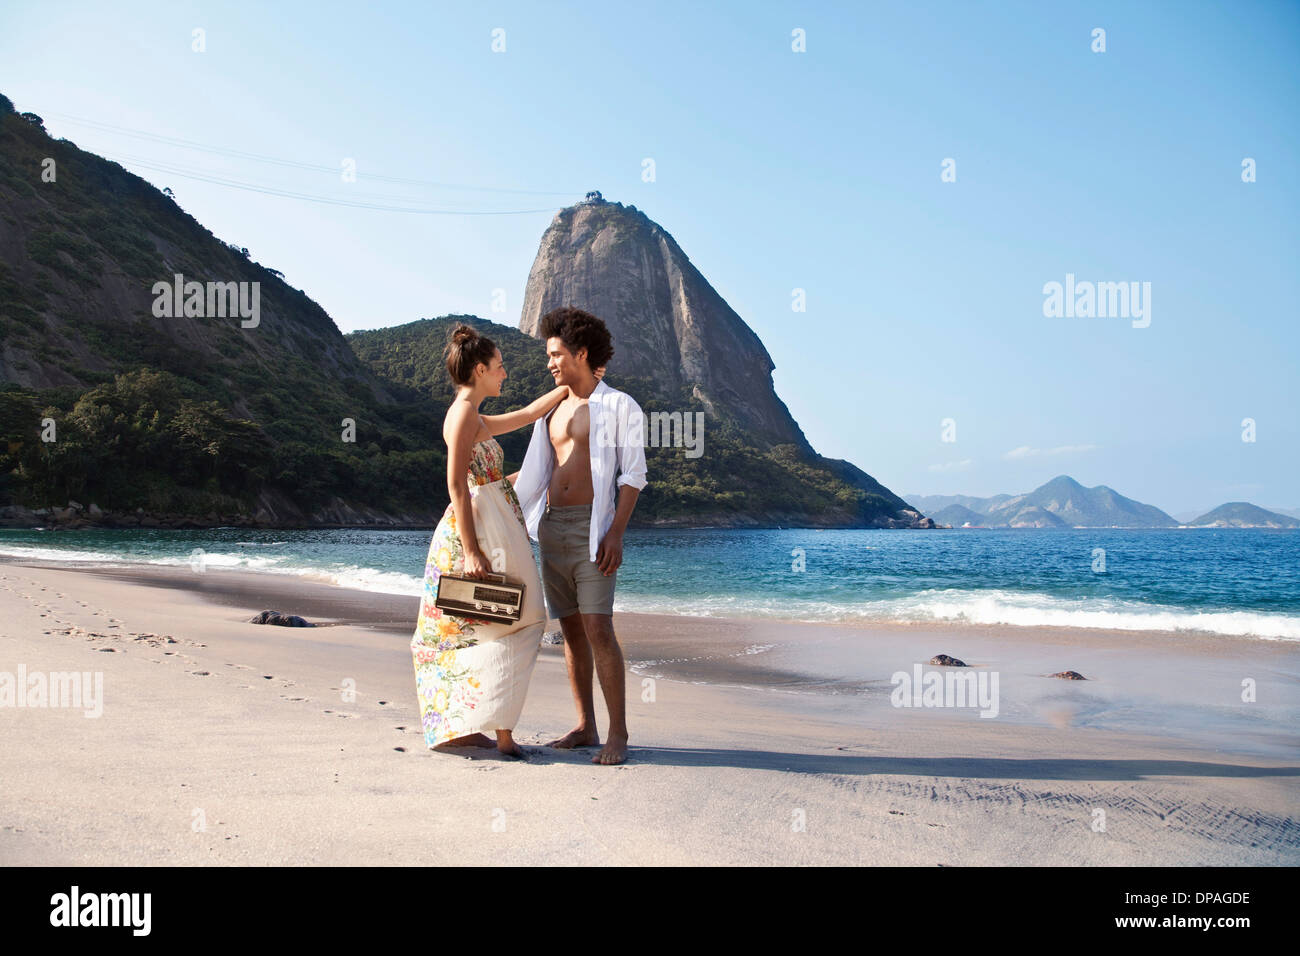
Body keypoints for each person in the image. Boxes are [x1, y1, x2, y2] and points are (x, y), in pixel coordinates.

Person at [410, 324, 570, 759]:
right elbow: (458, 487)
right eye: (499, 367)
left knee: (497, 623)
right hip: (473, 538)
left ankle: (483, 725)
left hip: (493, 531)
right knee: (510, 621)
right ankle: (489, 728)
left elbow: (525, 420)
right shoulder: (462, 415)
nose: (504, 374)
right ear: (480, 369)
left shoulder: (473, 414)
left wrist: (568, 389)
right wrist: (474, 550)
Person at [512, 306, 648, 765]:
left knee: (598, 627)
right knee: (570, 632)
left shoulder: (619, 405)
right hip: (552, 528)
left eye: (556, 354)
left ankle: (619, 734)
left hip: (594, 529)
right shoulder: (550, 407)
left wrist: (616, 533)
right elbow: (537, 472)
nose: (550, 363)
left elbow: (632, 476)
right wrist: (483, 481)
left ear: (581, 353)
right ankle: (585, 725)